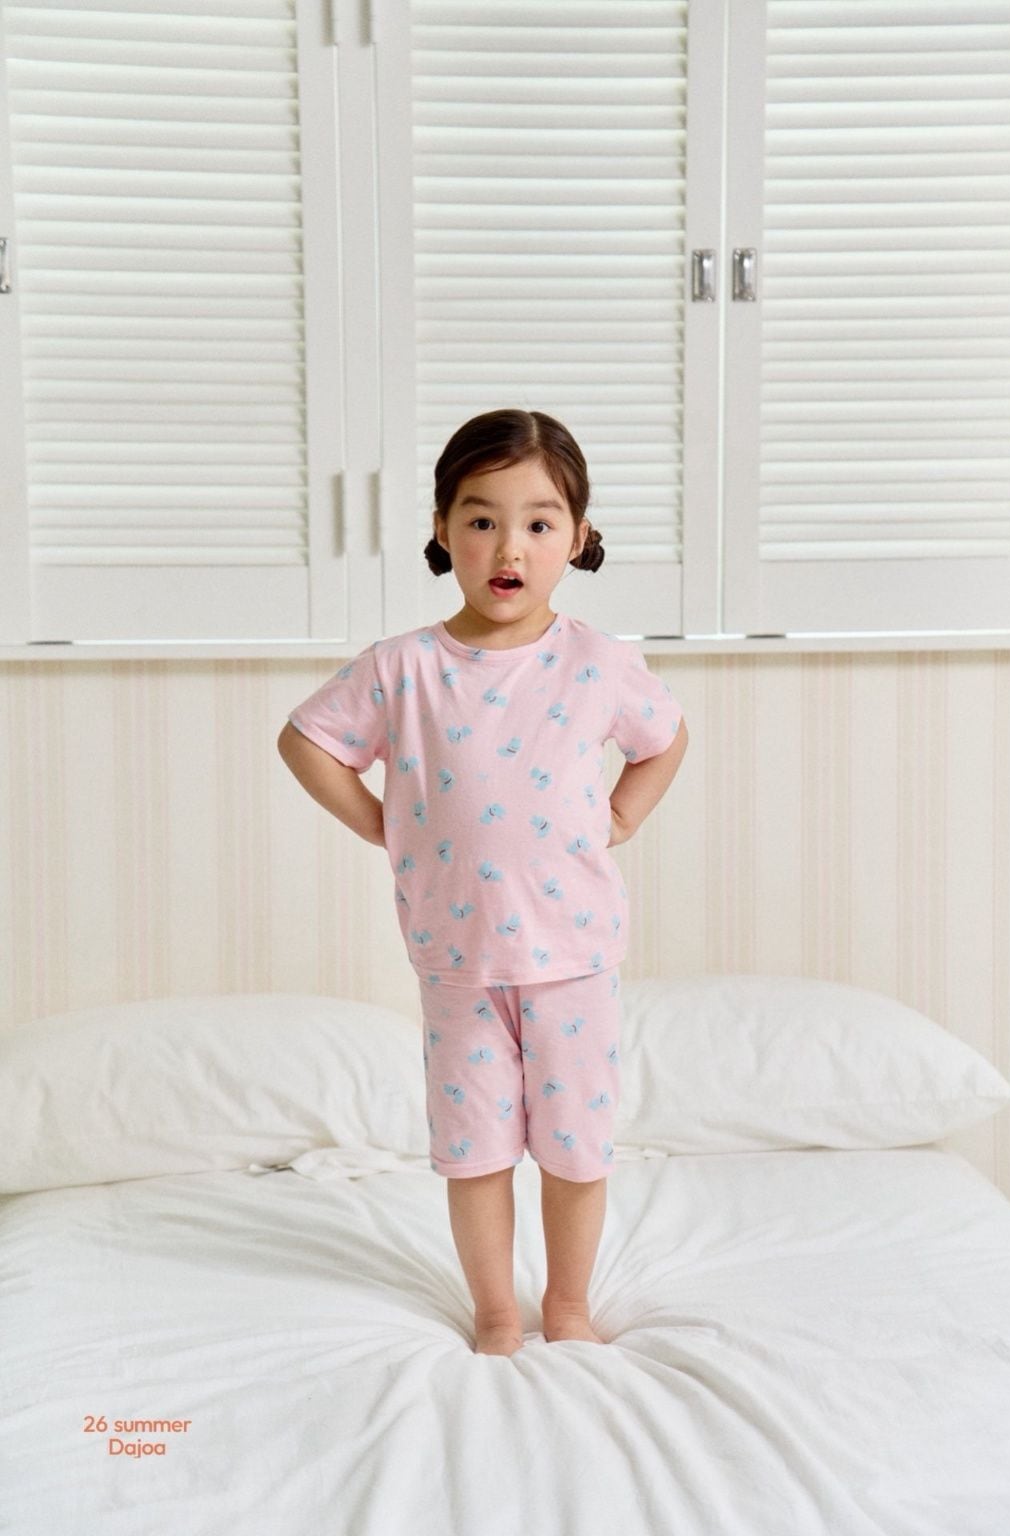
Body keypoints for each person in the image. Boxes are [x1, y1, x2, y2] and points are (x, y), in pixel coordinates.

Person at [278, 408, 689, 1356]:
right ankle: (496, 1311)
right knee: (474, 1152)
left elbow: (664, 740)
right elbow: (306, 741)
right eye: (481, 519)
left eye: (539, 523)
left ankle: (569, 1304)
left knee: (575, 1147)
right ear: (442, 527)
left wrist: (623, 816)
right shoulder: (403, 668)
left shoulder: (599, 663)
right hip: (457, 960)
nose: (510, 547)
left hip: (574, 956)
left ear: (577, 537)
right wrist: (380, 822)